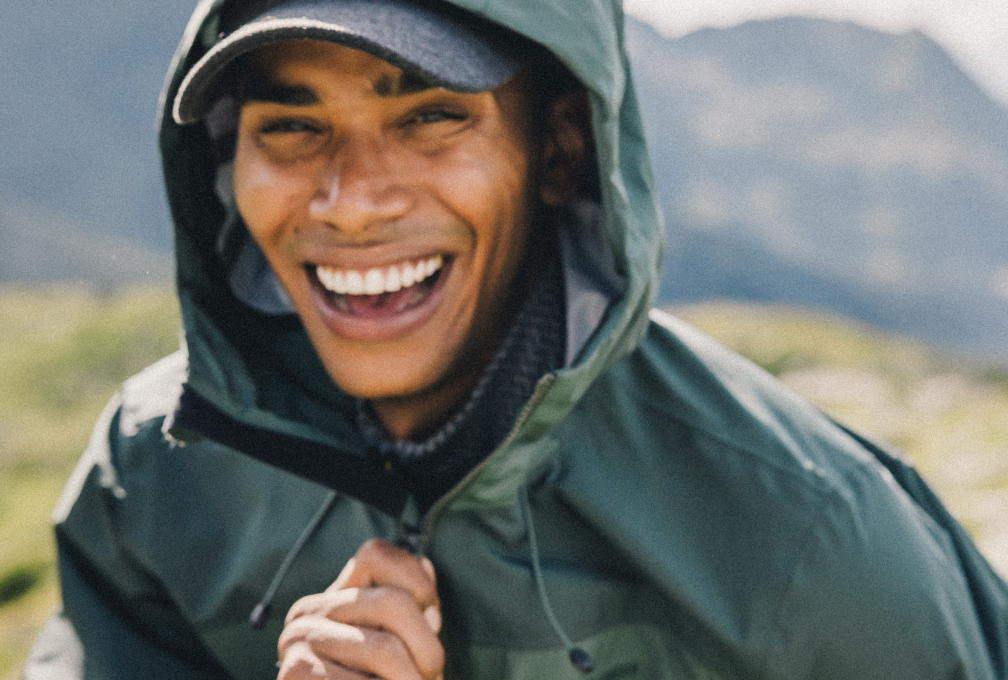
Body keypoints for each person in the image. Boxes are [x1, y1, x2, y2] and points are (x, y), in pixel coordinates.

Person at [22, 0, 1008, 678]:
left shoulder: (809, 538)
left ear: (559, 147)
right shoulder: (150, 479)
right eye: (291, 125)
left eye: (430, 116)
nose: (353, 200)